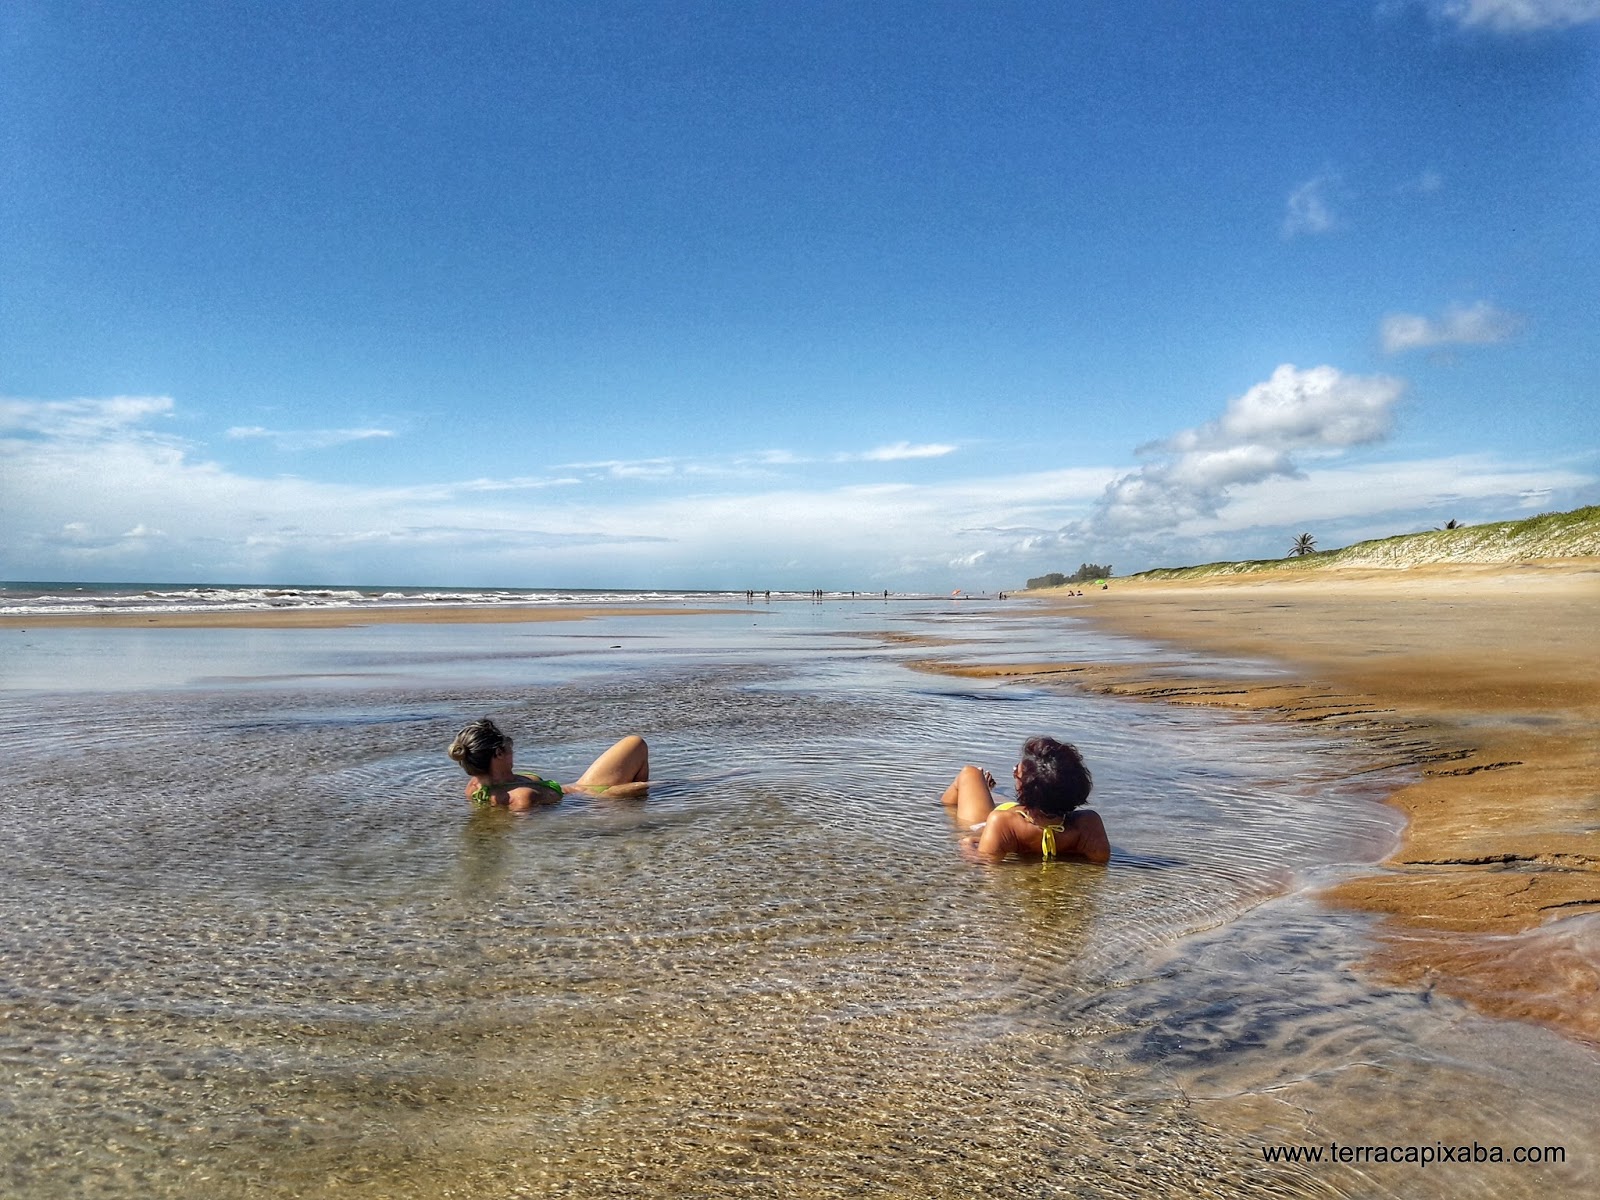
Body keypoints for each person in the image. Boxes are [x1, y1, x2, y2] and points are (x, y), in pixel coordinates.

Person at [939, 736, 1109, 864]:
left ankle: (952, 802)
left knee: (971, 773)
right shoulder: (1089, 824)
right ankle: (989, 791)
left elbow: (983, 863)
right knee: (997, 797)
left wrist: (966, 844)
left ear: (1024, 790)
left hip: (988, 822)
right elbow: (1100, 862)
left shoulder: (1002, 823)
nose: (1014, 771)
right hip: (1034, 808)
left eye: (1016, 773)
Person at [448, 718, 649, 810]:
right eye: (508, 746)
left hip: (582, 789)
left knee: (635, 744)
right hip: (593, 796)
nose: (512, 749)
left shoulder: (474, 787)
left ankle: (637, 804)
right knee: (664, 783)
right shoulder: (521, 798)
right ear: (499, 753)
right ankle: (637, 807)